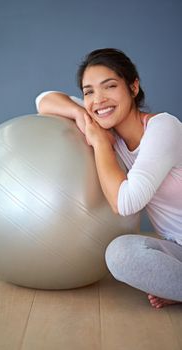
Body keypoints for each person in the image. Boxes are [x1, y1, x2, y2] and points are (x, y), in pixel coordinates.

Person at [35, 48, 182, 309]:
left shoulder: (163, 127)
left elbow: (125, 203)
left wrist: (101, 144)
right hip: (178, 250)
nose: (98, 100)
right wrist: (82, 116)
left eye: (110, 86)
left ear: (133, 87)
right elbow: (44, 100)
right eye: (88, 91)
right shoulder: (104, 119)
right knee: (120, 254)